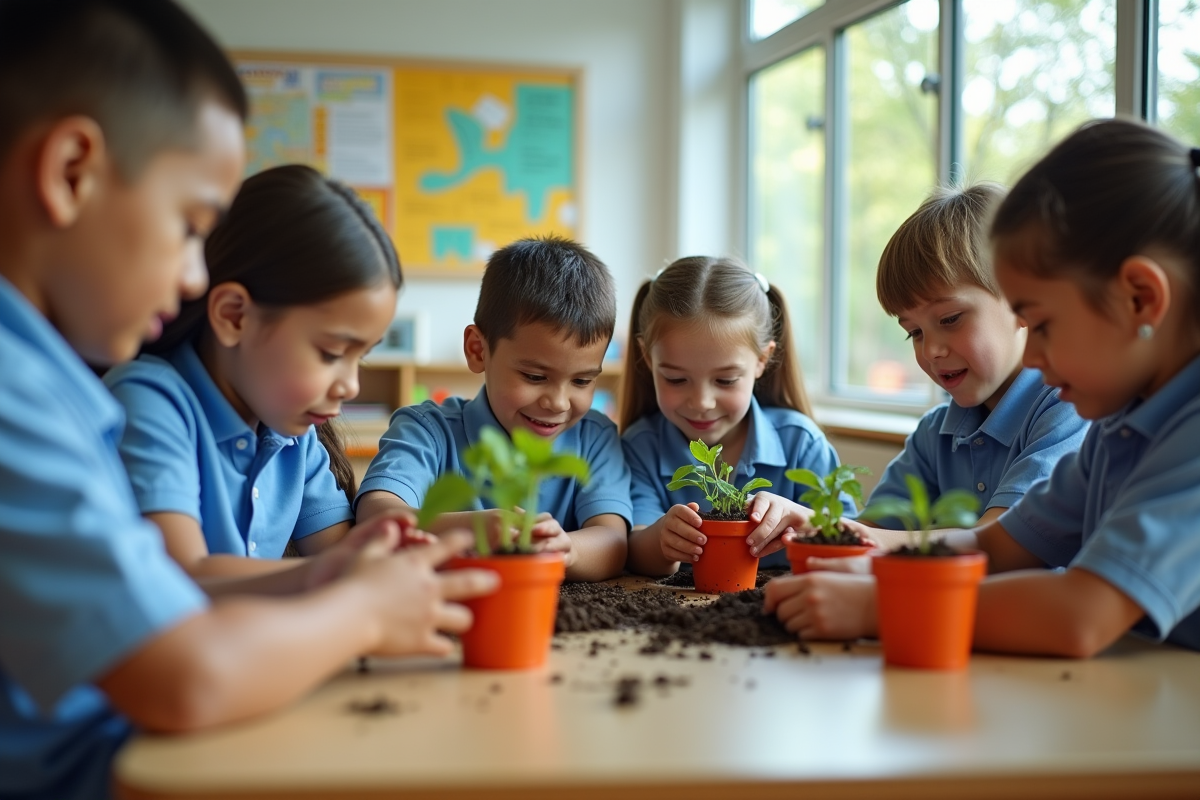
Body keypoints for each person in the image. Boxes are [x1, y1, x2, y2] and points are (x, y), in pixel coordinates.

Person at [0, 3, 494, 798]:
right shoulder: (22, 397)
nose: (195, 275)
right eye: (189, 225)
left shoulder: (50, 386)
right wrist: (363, 612)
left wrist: (352, 578)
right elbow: (185, 673)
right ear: (70, 174)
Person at [766, 120, 1200, 656]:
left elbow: (1081, 615)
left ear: (1139, 298)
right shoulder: (1121, 427)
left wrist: (878, 606)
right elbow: (994, 545)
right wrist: (863, 563)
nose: (1034, 355)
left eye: (1041, 325)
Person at [104, 164, 407, 578]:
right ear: (234, 316)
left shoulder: (291, 431)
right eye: (330, 352)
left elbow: (341, 552)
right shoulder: (148, 402)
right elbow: (185, 578)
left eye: (361, 357)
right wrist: (341, 576)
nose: (350, 385)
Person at [815, 184, 1089, 558]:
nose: (931, 350)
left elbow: (998, 542)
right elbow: (871, 531)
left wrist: (863, 540)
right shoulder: (935, 433)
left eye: (950, 319)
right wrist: (811, 528)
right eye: (914, 332)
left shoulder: (1069, 408)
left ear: (1023, 303)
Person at [355, 236, 632, 582]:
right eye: (534, 376)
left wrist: (567, 549)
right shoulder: (425, 429)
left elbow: (613, 539)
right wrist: (470, 528)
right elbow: (376, 513)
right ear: (477, 350)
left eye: (582, 381)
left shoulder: (595, 438)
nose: (558, 402)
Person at [620, 256, 841, 577]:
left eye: (725, 380)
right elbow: (633, 551)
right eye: (676, 379)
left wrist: (802, 522)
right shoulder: (641, 447)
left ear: (762, 360)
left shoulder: (801, 444)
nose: (702, 402)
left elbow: (847, 541)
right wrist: (660, 541)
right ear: (647, 359)